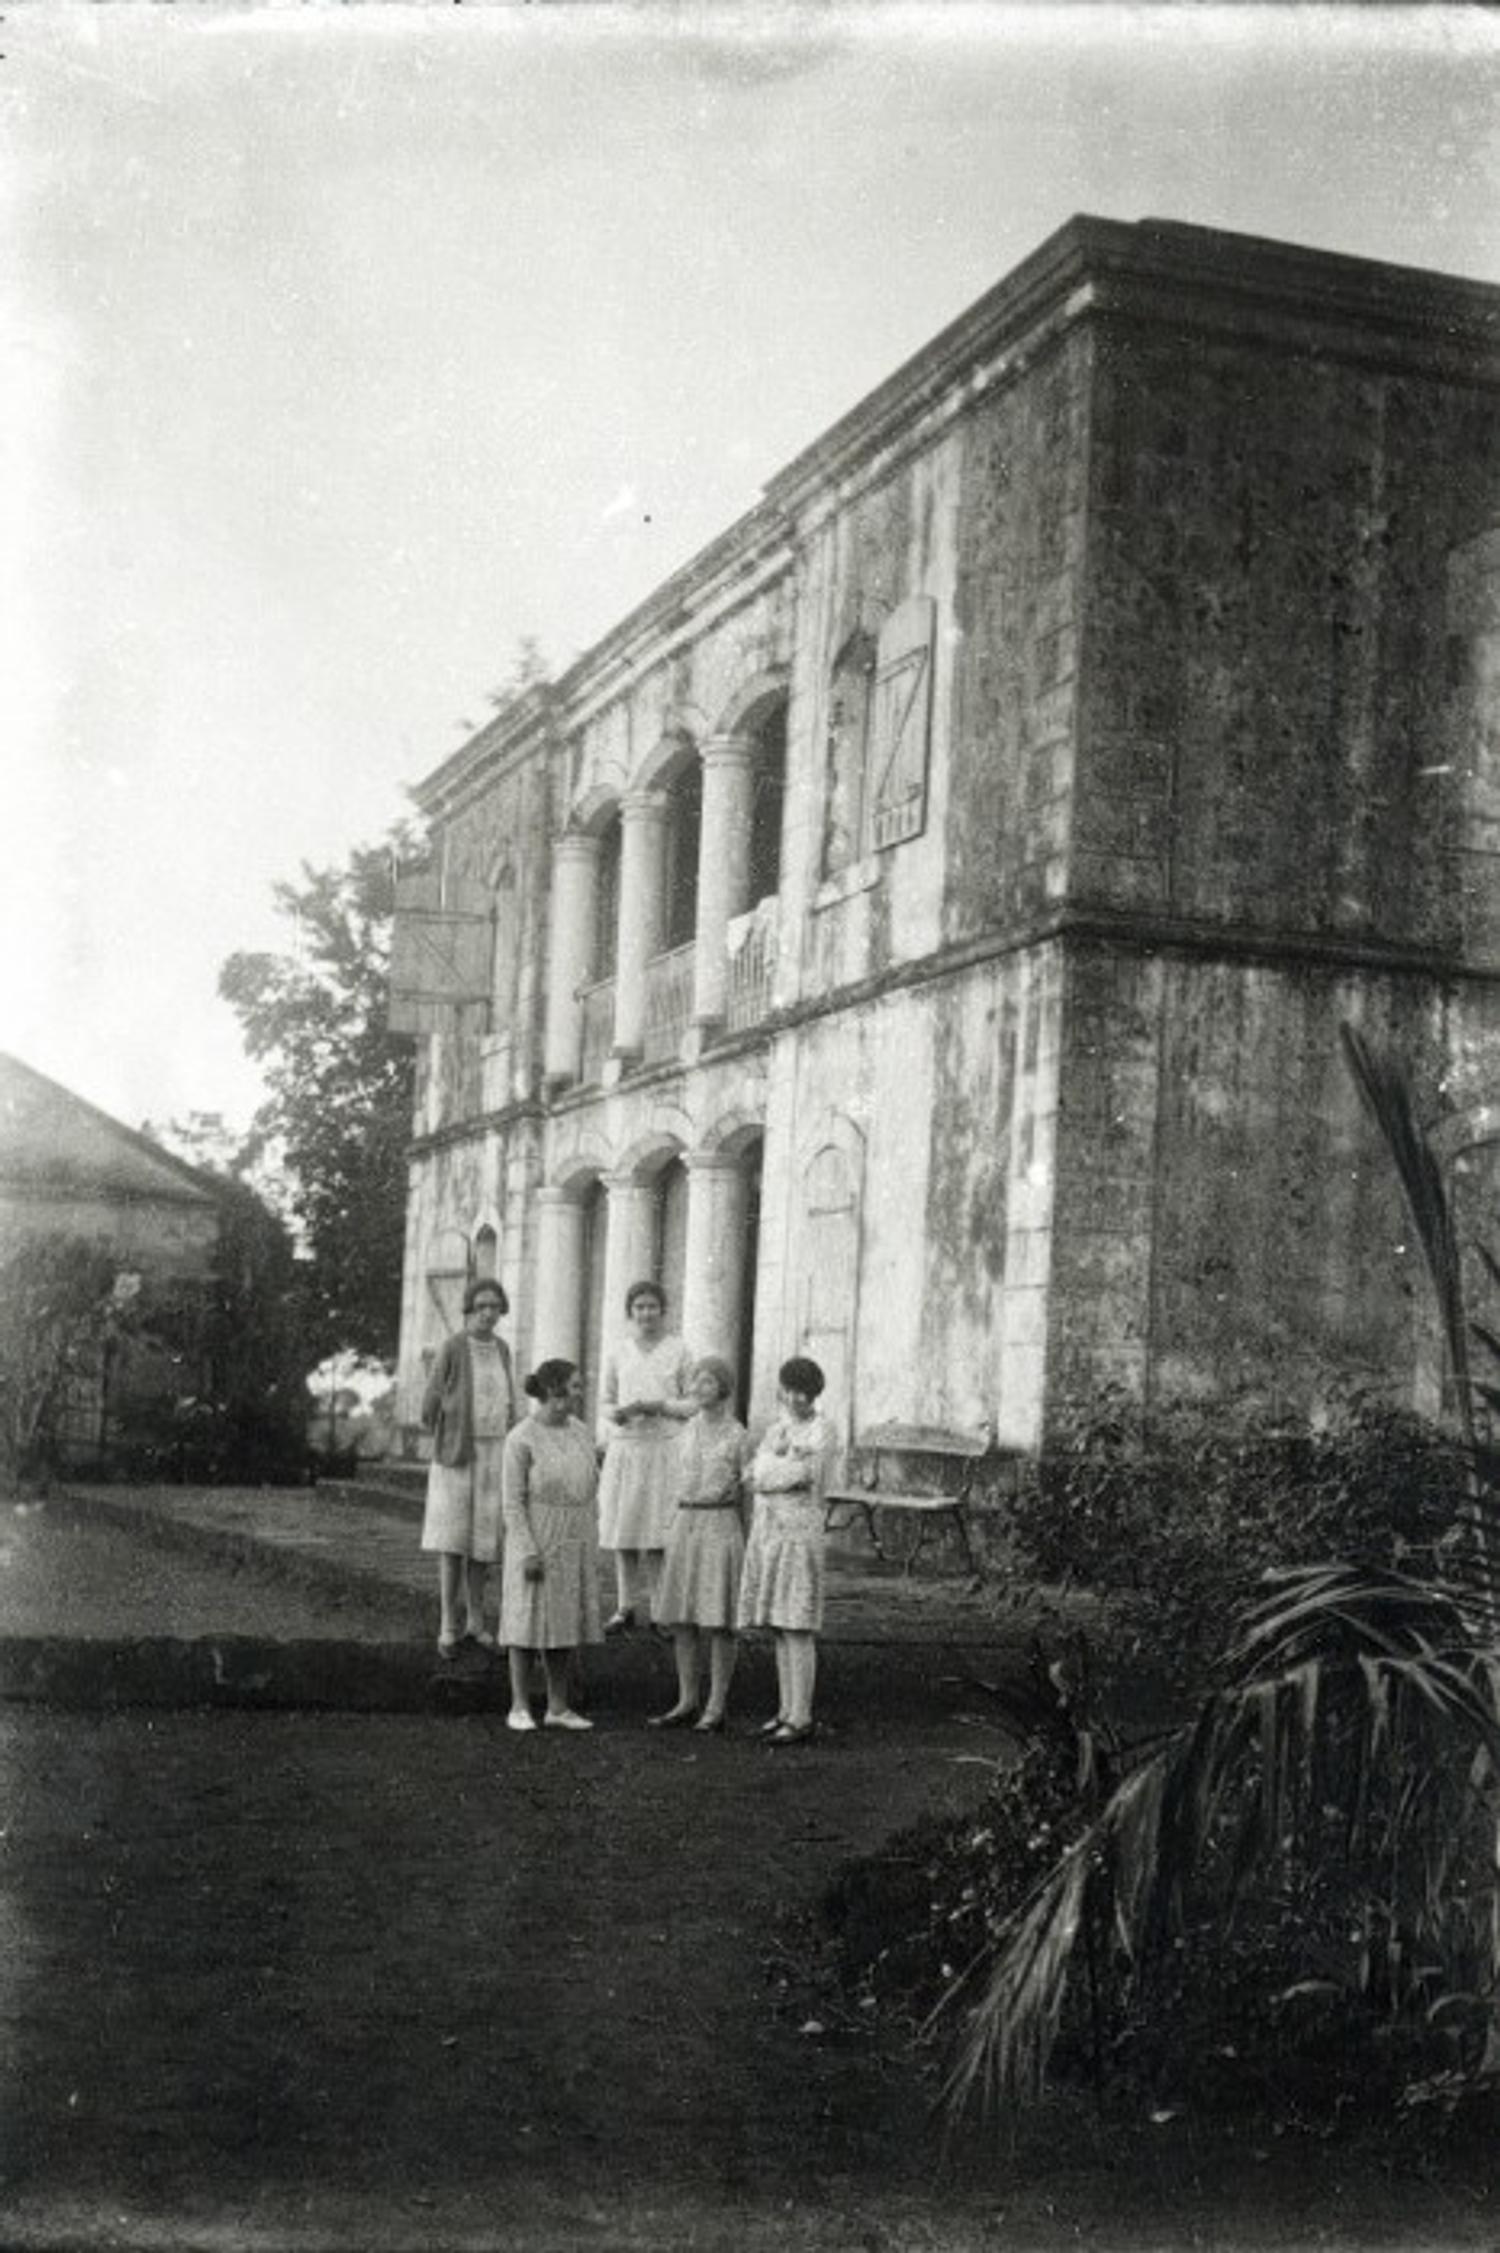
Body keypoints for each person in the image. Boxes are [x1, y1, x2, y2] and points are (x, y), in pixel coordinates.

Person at [737, 1355, 839, 1746]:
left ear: (814, 1394)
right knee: (780, 1625)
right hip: (770, 1532)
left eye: (804, 1392)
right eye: (791, 1390)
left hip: (799, 1533)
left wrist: (771, 1466)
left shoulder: (823, 1431)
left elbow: (802, 1475)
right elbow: (750, 1476)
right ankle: (785, 1710)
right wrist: (773, 1463)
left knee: (797, 1624)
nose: (796, 1399)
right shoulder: (777, 1429)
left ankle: (802, 1715)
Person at [650, 1355, 753, 1734]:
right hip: (686, 1524)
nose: (698, 1388)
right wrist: (668, 1525)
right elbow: (672, 1480)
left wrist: (745, 1538)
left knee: (719, 1619)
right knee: (683, 1618)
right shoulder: (685, 1431)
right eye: (696, 1381)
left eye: (707, 1381)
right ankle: (687, 1699)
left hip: (720, 1524)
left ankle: (716, 1704)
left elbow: (748, 1492)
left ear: (723, 1388)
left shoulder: (738, 1435)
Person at [500, 1359, 603, 1732]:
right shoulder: (521, 1438)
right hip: (537, 1534)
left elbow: (590, 1484)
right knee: (526, 1620)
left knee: (563, 1622)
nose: (579, 1393)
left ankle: (558, 1707)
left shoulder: (581, 1431)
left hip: (574, 1534)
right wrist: (527, 1549)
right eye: (574, 1386)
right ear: (554, 1390)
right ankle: (519, 1705)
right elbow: (512, 1502)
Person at [420, 1278, 515, 1660]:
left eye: (494, 1306)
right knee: (453, 1540)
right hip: (458, 1453)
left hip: (494, 1452)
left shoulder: (502, 1349)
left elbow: (508, 1399)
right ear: (469, 1309)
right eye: (481, 1306)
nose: (488, 1313)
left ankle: (476, 1620)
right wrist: (447, 1431)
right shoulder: (453, 1346)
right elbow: (431, 1398)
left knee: (483, 1542)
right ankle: (448, 1623)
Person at [596, 1280, 695, 1632]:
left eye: (652, 1306)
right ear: (630, 1312)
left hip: (663, 1449)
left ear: (663, 1310)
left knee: (657, 1534)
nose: (646, 1313)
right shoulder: (618, 1352)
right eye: (639, 1307)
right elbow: (604, 1401)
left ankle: (658, 1609)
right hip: (627, 1448)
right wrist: (616, 1413)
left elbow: (693, 1403)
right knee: (624, 1531)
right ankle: (625, 1607)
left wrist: (662, 1406)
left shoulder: (679, 1350)